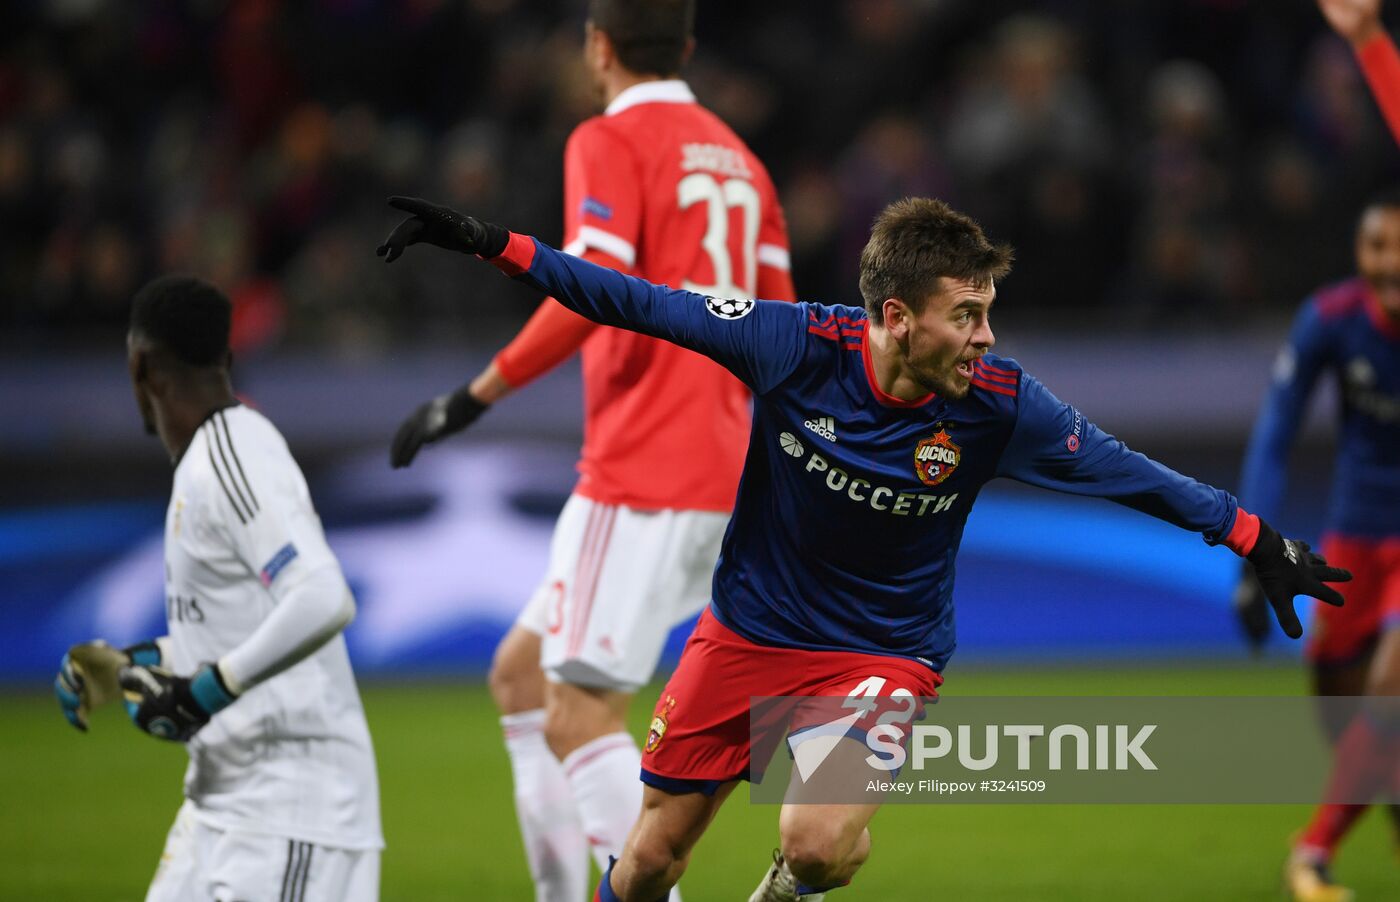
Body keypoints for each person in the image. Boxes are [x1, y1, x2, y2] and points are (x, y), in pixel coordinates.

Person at [376, 195, 1348, 902]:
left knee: (815, 840)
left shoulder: (999, 404)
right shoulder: (794, 346)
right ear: (894, 317)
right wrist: (490, 243)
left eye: (987, 311)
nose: (986, 336)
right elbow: (633, 299)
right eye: (965, 314)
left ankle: (793, 882)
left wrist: (1255, 538)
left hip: (884, 651)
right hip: (749, 631)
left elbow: (1124, 471)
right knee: (647, 863)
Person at [385, 2, 793, 898]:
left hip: (645, 464)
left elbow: (586, 287)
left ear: (598, 47)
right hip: (724, 471)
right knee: (521, 675)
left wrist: (474, 395)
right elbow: (781, 328)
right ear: (687, 47)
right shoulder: (743, 163)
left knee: (578, 711)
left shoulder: (608, 139)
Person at [53, 275, 382, 901]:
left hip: (291, 809)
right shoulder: (210, 459)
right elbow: (237, 627)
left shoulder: (235, 454)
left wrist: (207, 690)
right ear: (226, 359)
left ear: (139, 367)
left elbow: (323, 595)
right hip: (220, 800)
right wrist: (129, 666)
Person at [1235, 188, 1400, 901]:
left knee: (1391, 696)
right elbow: (1276, 432)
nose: (1391, 263)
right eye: (1377, 247)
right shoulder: (1331, 319)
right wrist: (1255, 557)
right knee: (1346, 718)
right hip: (1355, 537)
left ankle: (1313, 852)